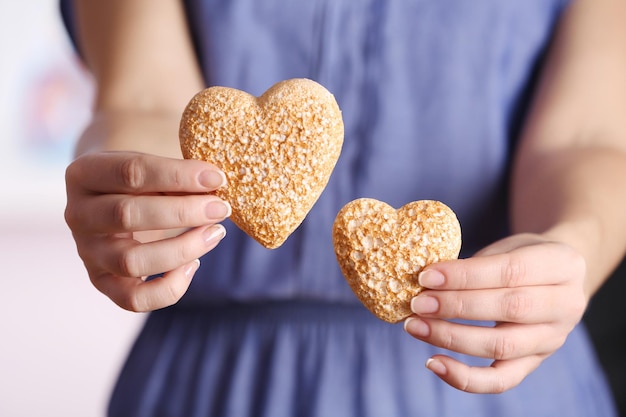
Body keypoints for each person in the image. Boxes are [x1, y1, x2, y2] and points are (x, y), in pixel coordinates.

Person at [61, 0, 626, 416]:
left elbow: (586, 137)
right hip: (218, 378)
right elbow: (143, 99)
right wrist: (133, 188)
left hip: (489, 363)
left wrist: (572, 245)